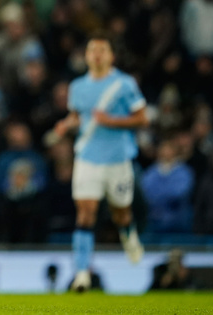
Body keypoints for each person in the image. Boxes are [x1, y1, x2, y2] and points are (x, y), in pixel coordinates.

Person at [53, 32, 148, 292]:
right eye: (92, 50)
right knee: (85, 212)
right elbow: (78, 117)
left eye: (102, 50)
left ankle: (128, 233)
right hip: (87, 157)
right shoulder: (78, 87)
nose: (96, 54)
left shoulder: (124, 84)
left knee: (121, 212)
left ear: (111, 56)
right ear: (86, 56)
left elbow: (142, 118)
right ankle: (82, 273)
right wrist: (66, 125)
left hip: (118, 159)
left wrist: (112, 121)